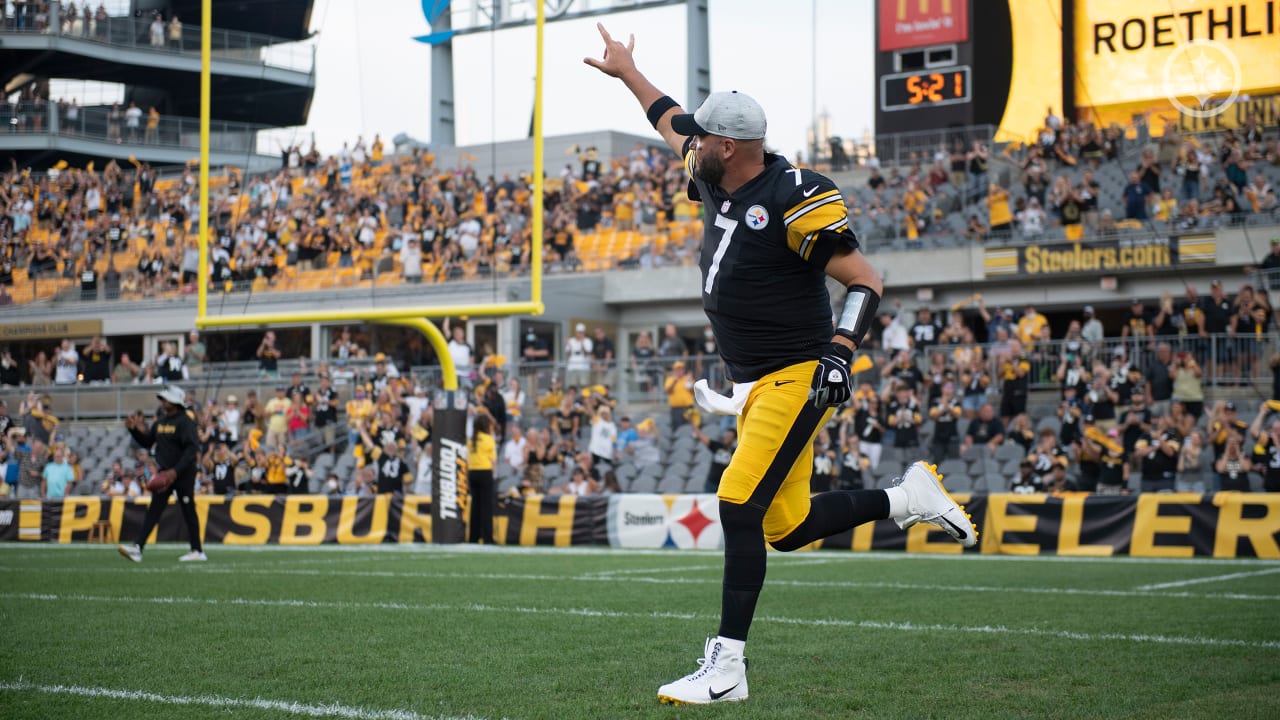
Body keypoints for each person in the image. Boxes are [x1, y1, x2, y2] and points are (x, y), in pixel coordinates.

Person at [586, 25, 977, 706]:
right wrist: (627, 73)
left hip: (799, 373)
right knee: (785, 527)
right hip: (759, 380)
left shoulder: (793, 196)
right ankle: (907, 497)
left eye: (704, 139)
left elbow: (866, 278)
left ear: (729, 147)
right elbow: (670, 117)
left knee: (737, 502)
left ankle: (727, 666)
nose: (691, 144)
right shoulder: (713, 168)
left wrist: (840, 352)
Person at [118, 385, 206, 562]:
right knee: (154, 511)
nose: (163, 402)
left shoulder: (185, 422)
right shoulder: (161, 422)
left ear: (175, 402)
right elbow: (148, 441)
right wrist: (133, 430)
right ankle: (138, 548)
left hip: (183, 473)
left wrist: (176, 471)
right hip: (165, 474)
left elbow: (191, 450)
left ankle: (197, 550)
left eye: (166, 399)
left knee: (189, 510)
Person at [468, 413, 497, 544]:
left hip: (472, 472)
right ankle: (487, 537)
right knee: (486, 507)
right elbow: (493, 460)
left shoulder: (471, 440)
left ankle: (473, 537)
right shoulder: (488, 439)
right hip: (485, 472)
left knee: (475, 506)